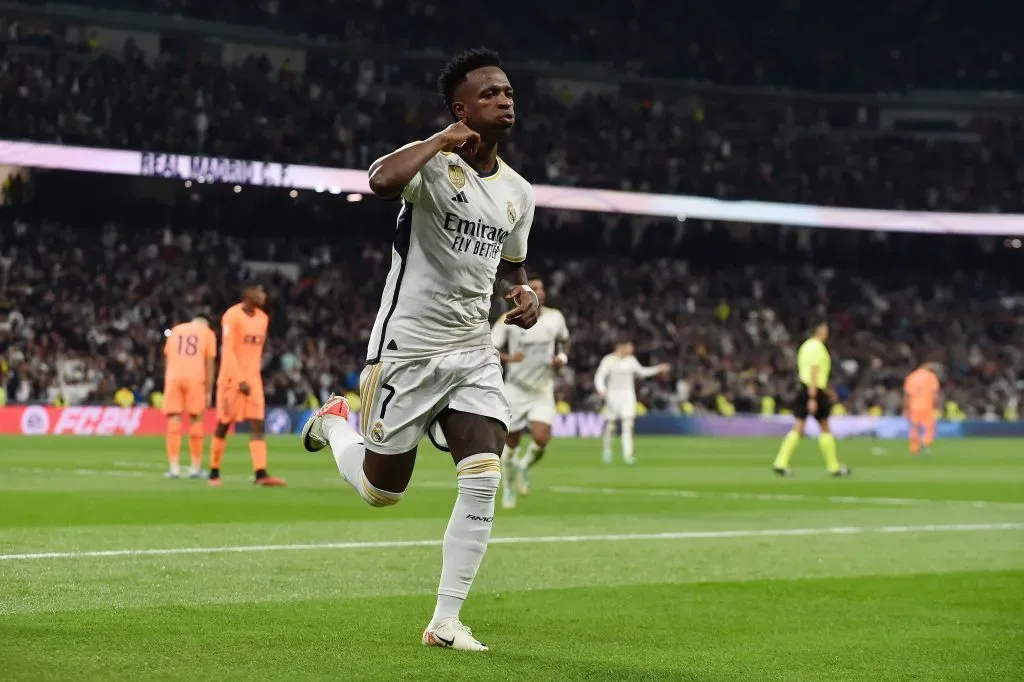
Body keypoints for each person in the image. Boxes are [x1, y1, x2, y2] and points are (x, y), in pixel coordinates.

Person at [299, 48, 539, 652]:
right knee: (384, 491)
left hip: (472, 351)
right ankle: (334, 424)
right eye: (490, 94)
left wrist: (527, 294)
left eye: (508, 91)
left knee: (485, 474)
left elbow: (514, 266)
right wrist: (440, 140)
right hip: (407, 348)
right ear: (461, 109)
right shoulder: (432, 168)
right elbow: (378, 180)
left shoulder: (518, 192)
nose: (505, 99)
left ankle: (446, 621)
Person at [491, 276, 570, 508]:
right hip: (516, 389)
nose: (540, 292)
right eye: (534, 288)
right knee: (512, 442)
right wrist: (508, 358)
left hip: (543, 388)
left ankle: (524, 466)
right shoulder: (509, 319)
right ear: (523, 293)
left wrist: (562, 357)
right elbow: (490, 347)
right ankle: (508, 490)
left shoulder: (555, 318)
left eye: (542, 288)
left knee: (541, 438)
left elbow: (565, 340)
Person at [209, 283, 287, 487]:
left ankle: (260, 474)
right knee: (224, 425)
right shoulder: (231, 316)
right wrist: (239, 378)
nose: (263, 295)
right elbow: (229, 350)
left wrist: (250, 377)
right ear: (247, 294)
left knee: (258, 423)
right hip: (231, 379)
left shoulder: (263, 318)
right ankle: (214, 472)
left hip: (253, 380)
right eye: (259, 291)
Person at [772, 321, 851, 477]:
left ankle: (780, 462)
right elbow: (814, 371)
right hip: (813, 390)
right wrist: (813, 397)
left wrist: (827, 391)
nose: (827, 332)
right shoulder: (817, 347)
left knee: (799, 426)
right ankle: (833, 466)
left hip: (806, 387)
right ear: (818, 330)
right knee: (823, 426)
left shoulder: (805, 347)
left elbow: (807, 371)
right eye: (824, 329)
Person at [594, 341, 669, 464]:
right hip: (613, 395)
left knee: (628, 425)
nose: (631, 350)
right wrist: (601, 389)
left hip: (628, 395)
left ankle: (627, 454)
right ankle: (607, 451)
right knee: (611, 426)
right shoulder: (608, 360)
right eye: (629, 347)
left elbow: (642, 372)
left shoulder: (631, 360)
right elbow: (599, 376)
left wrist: (658, 368)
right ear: (620, 347)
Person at [162, 316, 217, 478]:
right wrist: (208, 391)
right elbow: (210, 364)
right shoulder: (207, 333)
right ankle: (195, 467)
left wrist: (169, 379)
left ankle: (174, 468)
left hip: (173, 378)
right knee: (196, 420)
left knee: (174, 419)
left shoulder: (176, 330)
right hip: (195, 378)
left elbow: (167, 357)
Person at [904, 362, 940, 455]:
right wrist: (937, 405)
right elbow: (934, 393)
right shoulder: (931, 376)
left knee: (915, 427)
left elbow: (907, 394)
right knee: (929, 426)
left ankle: (914, 448)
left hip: (914, 405)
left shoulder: (911, 376)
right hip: (927, 405)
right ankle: (925, 442)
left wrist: (906, 408)